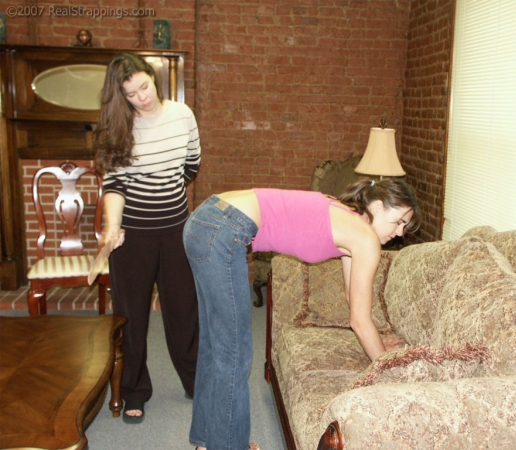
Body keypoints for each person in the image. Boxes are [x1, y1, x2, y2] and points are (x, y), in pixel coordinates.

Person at [183, 179, 420, 450]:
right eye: (398, 221)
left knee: (216, 346)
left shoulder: (353, 224)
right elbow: (360, 320)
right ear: (377, 207)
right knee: (233, 351)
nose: (400, 232)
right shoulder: (365, 237)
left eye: (404, 226)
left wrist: (377, 343)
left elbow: (354, 302)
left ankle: (208, 443)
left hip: (205, 221)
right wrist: (387, 368)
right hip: (223, 229)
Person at [93, 53, 201, 424]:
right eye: (132, 93)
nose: (143, 97)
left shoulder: (182, 115)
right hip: (133, 237)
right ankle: (134, 390)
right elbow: (115, 185)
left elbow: (191, 165)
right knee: (131, 315)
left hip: (175, 231)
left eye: (145, 86)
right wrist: (113, 225)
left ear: (153, 78)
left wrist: (163, 194)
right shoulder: (118, 128)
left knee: (184, 311)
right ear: (120, 97)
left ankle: (195, 381)